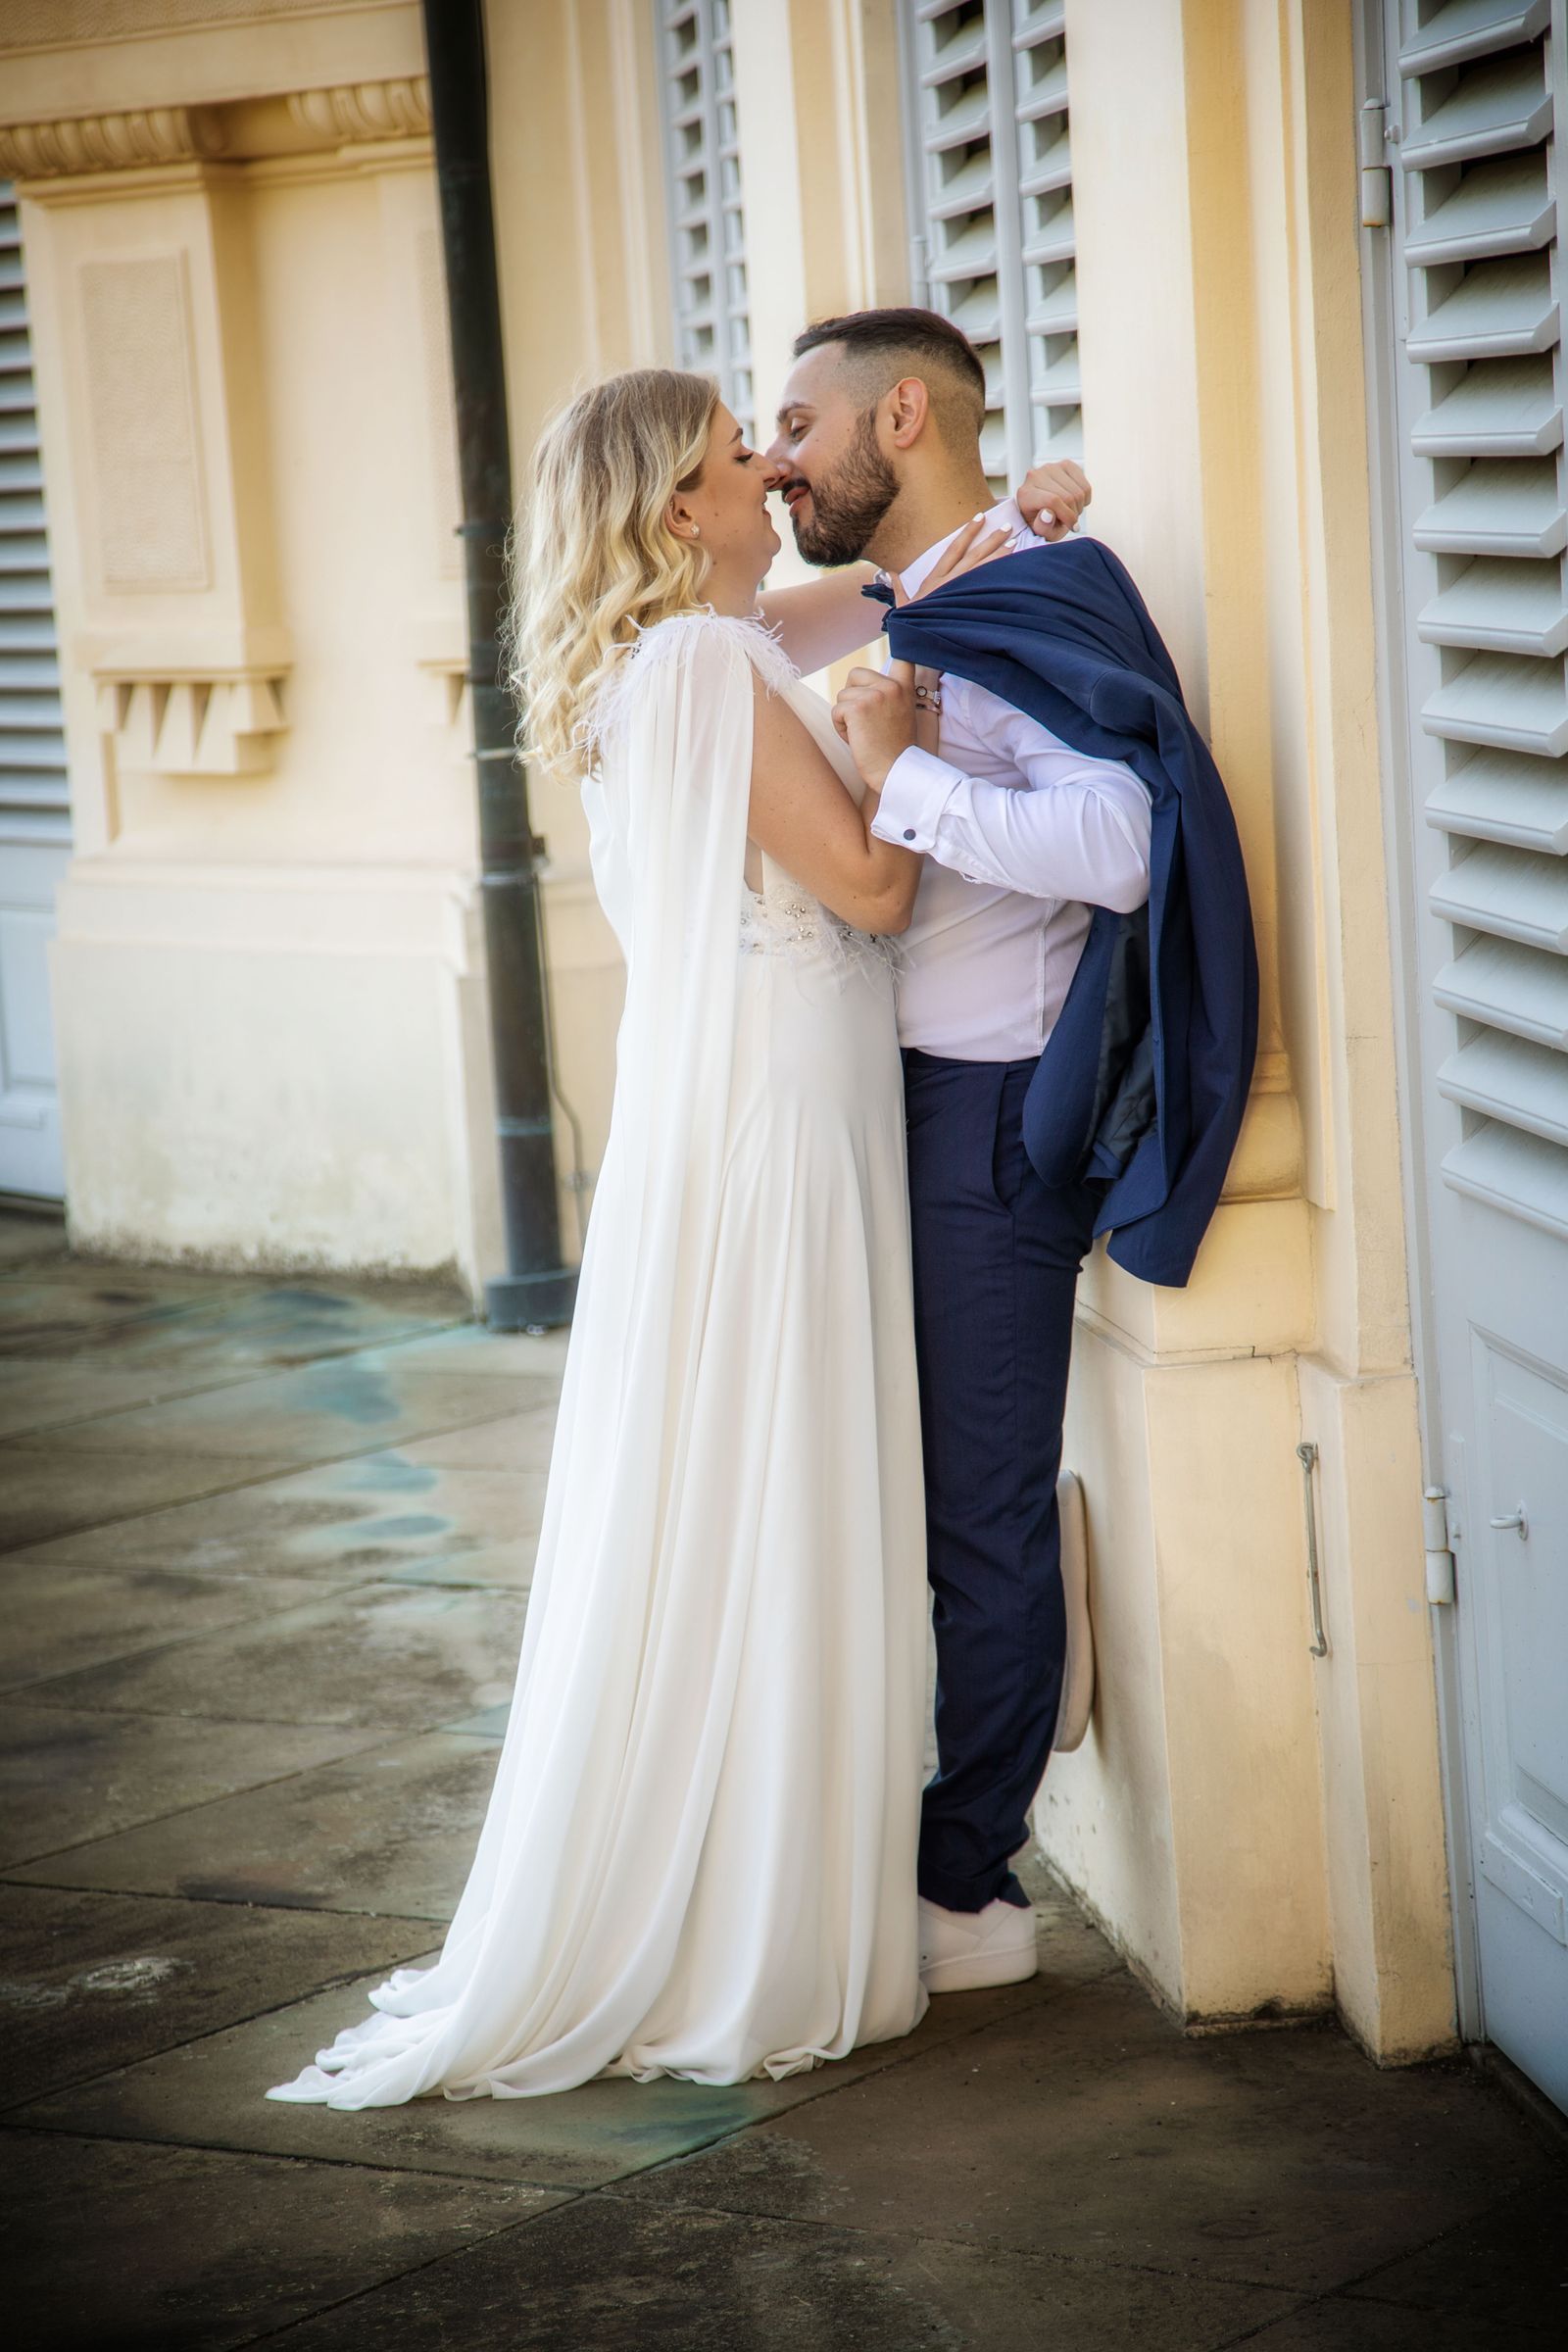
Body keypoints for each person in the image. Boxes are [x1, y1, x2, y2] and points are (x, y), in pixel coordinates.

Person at [266, 368, 1087, 2105]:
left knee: (737, 1485)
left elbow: (876, 584)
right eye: (739, 458)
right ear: (675, 512)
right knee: (786, 1484)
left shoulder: (664, 655)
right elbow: (872, 888)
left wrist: (1021, 516)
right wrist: (896, 748)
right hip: (795, 1114)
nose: (774, 475)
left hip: (740, 1107)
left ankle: (751, 1864)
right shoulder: (708, 667)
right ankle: (767, 1909)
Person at [767, 307, 1252, 1998]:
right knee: (907, 1491)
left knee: (977, 1516)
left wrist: (908, 784)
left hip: (988, 1118)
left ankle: (968, 1887)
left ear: (900, 416)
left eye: (798, 426)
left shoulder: (1032, 596)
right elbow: (707, 625)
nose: (777, 461)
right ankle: (959, 1785)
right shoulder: (928, 591)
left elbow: (1126, 842)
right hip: (884, 1101)